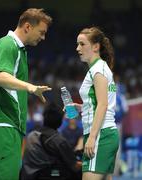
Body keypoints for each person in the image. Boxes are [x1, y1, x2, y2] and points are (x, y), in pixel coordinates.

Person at [0, 8, 52, 180]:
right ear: (27, 27)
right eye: (41, 32)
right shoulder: (8, 44)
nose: (43, 37)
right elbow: (0, 76)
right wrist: (31, 87)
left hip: (8, 125)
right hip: (1, 124)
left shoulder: (19, 50)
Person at [74, 27, 119, 180]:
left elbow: (103, 105)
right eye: (77, 44)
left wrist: (92, 138)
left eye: (82, 44)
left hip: (101, 135)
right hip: (105, 133)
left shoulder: (98, 70)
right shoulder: (101, 68)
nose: (78, 48)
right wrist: (82, 107)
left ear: (95, 46)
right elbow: (100, 102)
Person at [21, 103, 82, 180]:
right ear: (60, 120)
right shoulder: (58, 140)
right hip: (49, 176)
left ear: (44, 117)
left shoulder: (31, 135)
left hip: (28, 176)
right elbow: (75, 166)